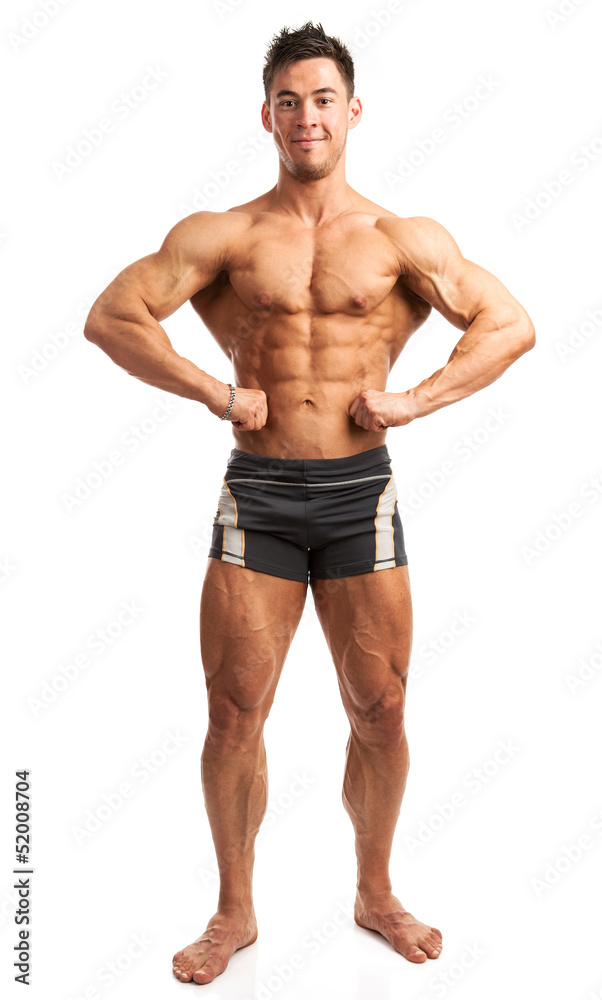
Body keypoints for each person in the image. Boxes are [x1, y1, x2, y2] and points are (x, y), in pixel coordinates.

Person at [84, 21, 535, 986]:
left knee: (381, 708)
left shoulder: (401, 238)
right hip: (258, 495)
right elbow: (111, 316)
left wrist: (412, 400)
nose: (307, 116)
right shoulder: (228, 235)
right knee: (234, 710)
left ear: (353, 111)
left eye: (323, 98)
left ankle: (374, 893)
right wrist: (216, 390)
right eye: (289, 100)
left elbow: (511, 325)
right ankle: (234, 912)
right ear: (267, 116)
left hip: (357, 493)